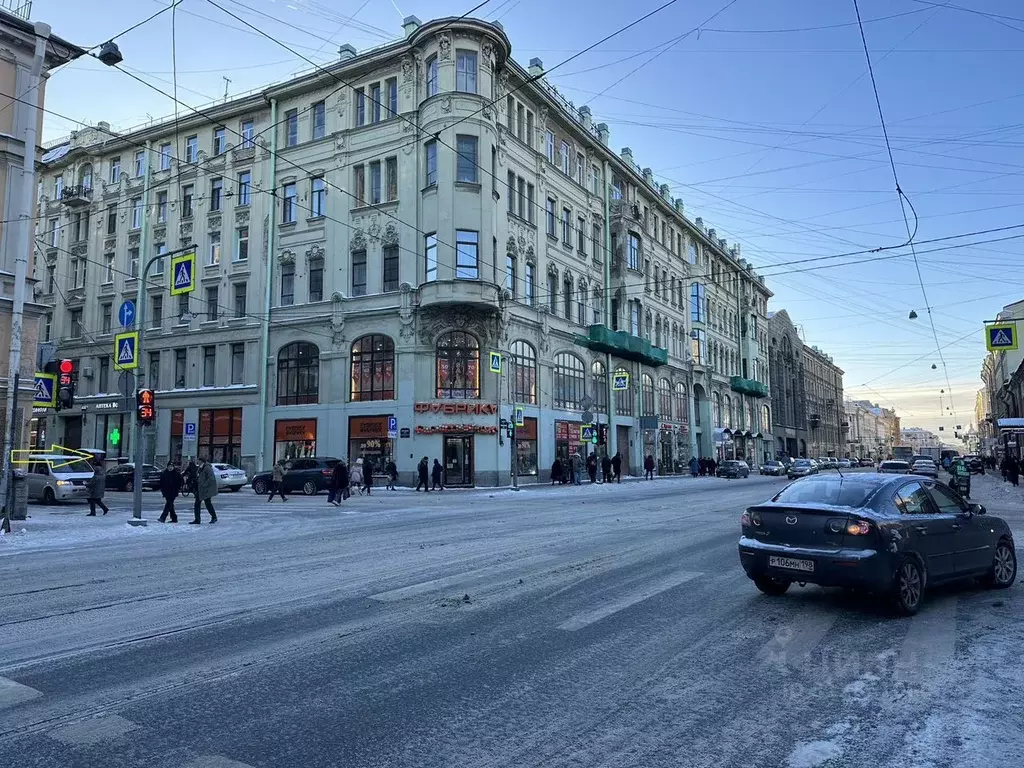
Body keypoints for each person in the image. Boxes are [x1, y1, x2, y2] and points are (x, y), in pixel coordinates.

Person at [192, 457, 218, 524]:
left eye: (198, 460)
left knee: (207, 503)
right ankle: (197, 519)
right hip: (200, 489)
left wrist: (204, 484)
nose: (197, 461)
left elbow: (211, 478)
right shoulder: (201, 467)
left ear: (201, 461)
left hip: (205, 489)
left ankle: (214, 517)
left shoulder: (207, 467)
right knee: (198, 504)